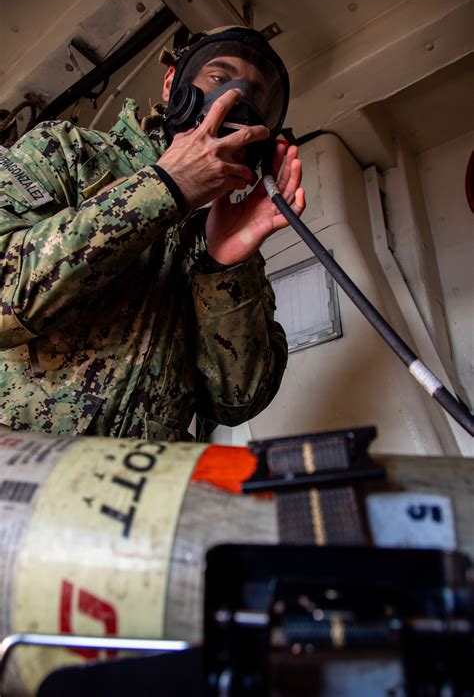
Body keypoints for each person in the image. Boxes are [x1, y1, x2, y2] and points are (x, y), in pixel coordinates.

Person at [0, 26, 305, 441]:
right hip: (21, 475)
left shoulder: (218, 230)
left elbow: (237, 402)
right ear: (172, 84)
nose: (238, 98)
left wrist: (226, 266)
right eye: (220, 78)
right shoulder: (65, 151)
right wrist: (165, 188)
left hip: (137, 493)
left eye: (255, 91)